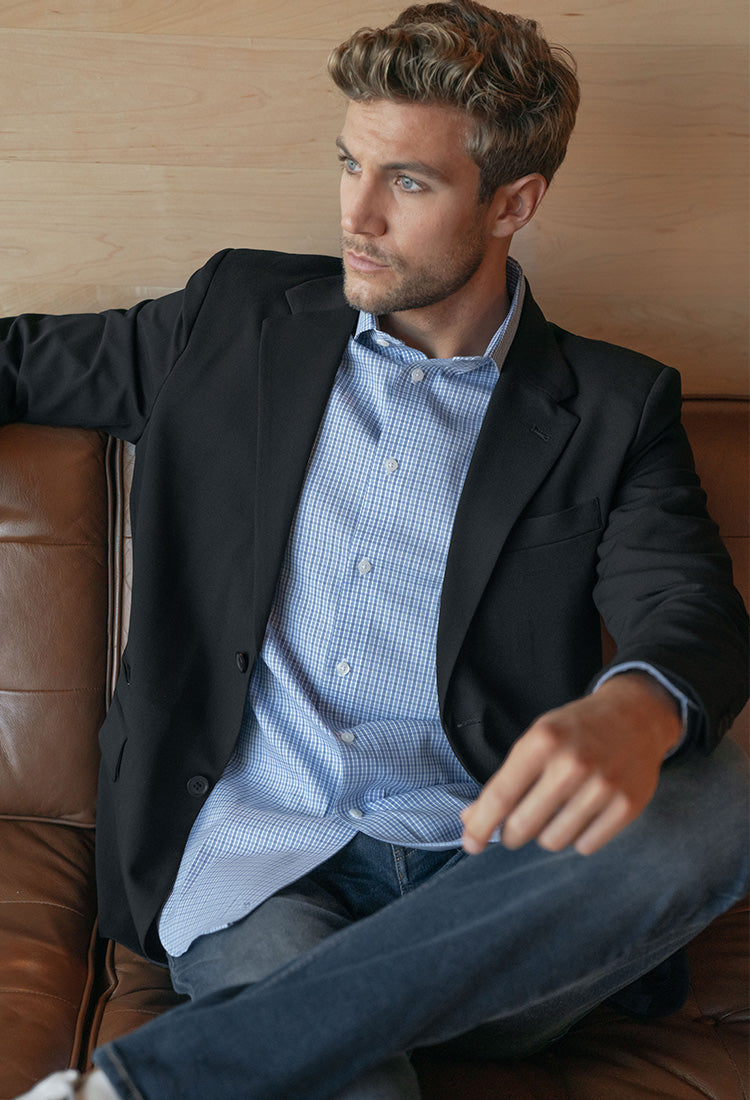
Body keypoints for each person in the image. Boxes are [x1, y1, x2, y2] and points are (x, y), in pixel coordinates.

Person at [8, 2, 748, 1098]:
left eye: (408, 182)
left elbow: (688, 604)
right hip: (259, 867)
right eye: (349, 162)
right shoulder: (233, 321)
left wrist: (631, 706)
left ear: (513, 202)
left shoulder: (609, 405)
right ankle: (293, 1041)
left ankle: (161, 1080)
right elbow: (21, 362)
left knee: (717, 803)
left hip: (486, 885)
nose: (355, 213)